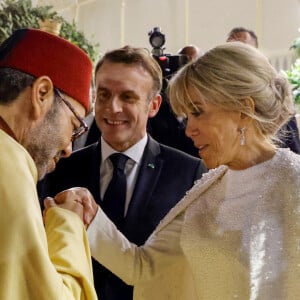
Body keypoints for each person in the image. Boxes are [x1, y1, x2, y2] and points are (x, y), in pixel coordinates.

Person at [45, 42, 300, 299]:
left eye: (198, 113)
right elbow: (143, 267)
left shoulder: (294, 182)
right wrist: (92, 216)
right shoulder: (206, 188)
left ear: (244, 109)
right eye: (186, 116)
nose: (189, 130)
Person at [38, 45, 207, 300]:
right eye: (104, 95)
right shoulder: (60, 167)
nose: (112, 108)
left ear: (154, 105)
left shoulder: (187, 173)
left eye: (128, 97)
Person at [0, 28, 97, 299]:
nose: (68, 148)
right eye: (75, 125)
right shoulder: (9, 166)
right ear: (42, 93)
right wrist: (67, 223)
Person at [227, 26, 300, 154]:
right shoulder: (217, 93)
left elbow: (293, 147)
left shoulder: (275, 91)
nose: (235, 54)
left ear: (255, 53)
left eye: (242, 47)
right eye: (230, 48)